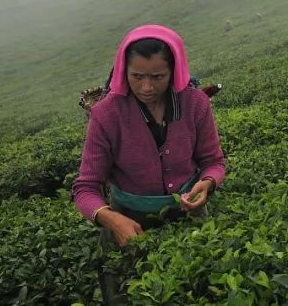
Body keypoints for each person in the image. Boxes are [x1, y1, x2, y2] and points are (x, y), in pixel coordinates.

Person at [73, 24, 226, 301]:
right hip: (127, 223)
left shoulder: (196, 104)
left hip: (188, 216)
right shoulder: (106, 115)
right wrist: (111, 219)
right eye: (137, 76)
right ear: (123, 72)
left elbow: (213, 161)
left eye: (157, 76)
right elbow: (85, 188)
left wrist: (207, 183)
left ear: (174, 72)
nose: (146, 87)